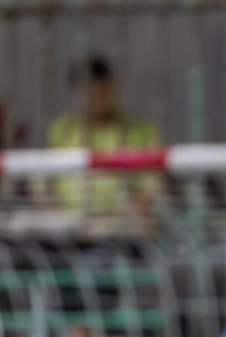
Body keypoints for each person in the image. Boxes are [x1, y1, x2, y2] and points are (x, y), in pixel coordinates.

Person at [45, 55, 160, 216]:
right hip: (68, 229)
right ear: (76, 92)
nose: (99, 98)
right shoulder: (61, 130)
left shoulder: (141, 129)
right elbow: (41, 183)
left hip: (127, 226)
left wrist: (132, 213)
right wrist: (56, 217)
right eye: (92, 92)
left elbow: (154, 184)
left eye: (105, 91)